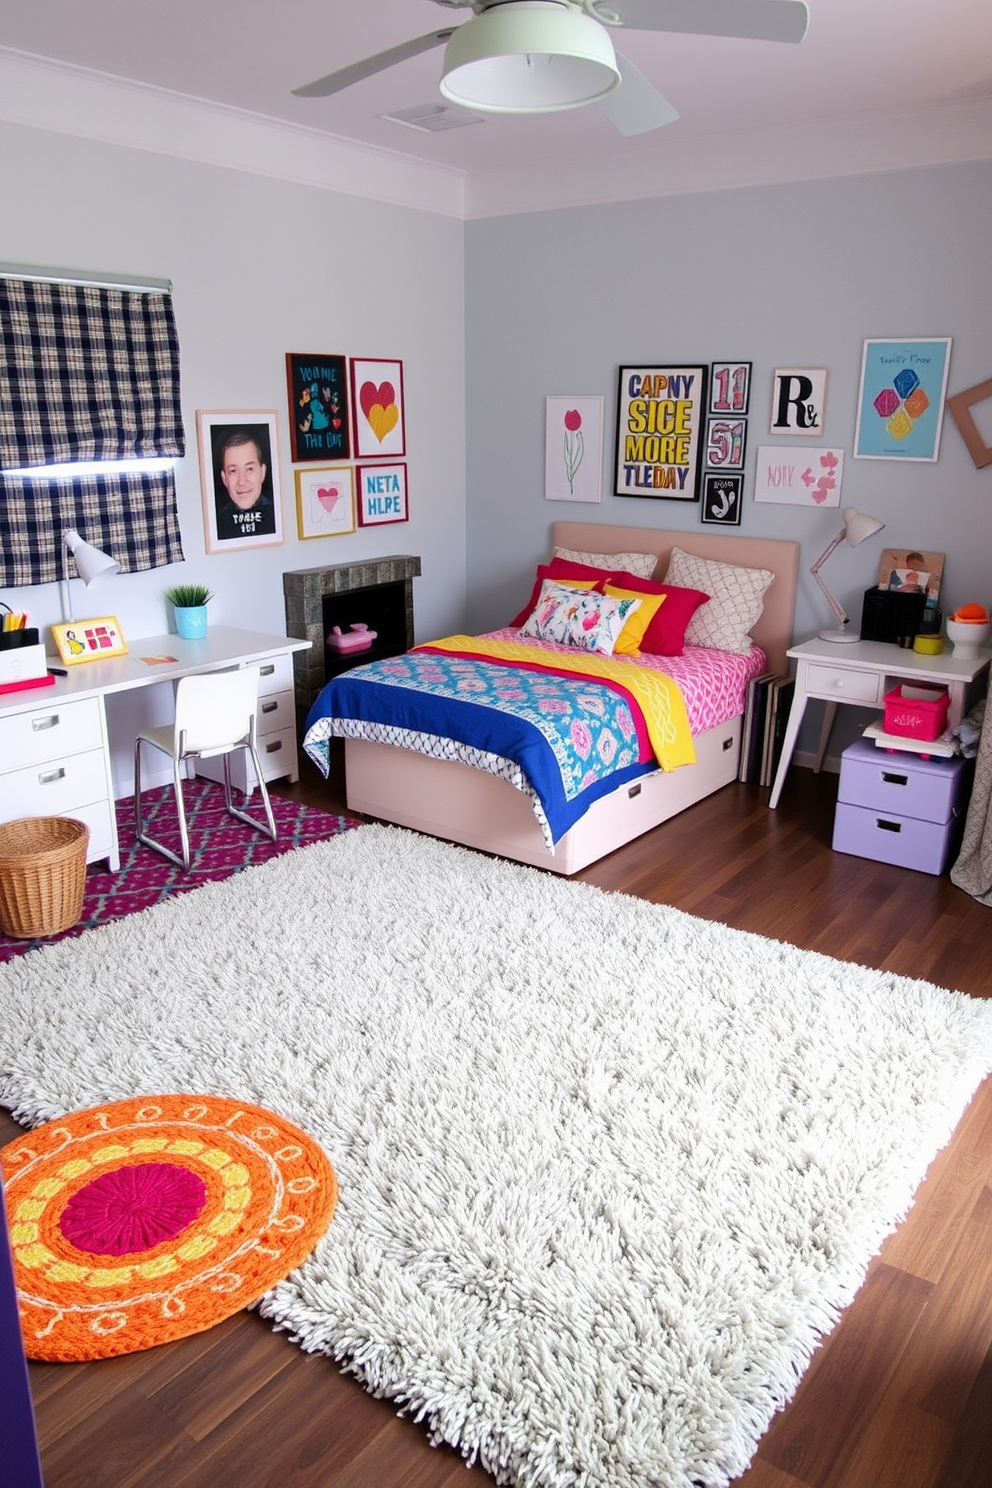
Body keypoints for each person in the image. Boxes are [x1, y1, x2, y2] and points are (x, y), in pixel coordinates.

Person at [213, 428, 276, 541]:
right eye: (233, 471)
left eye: (250, 469)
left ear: (263, 472)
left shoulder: (278, 515)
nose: (242, 481)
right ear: (224, 478)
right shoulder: (217, 522)